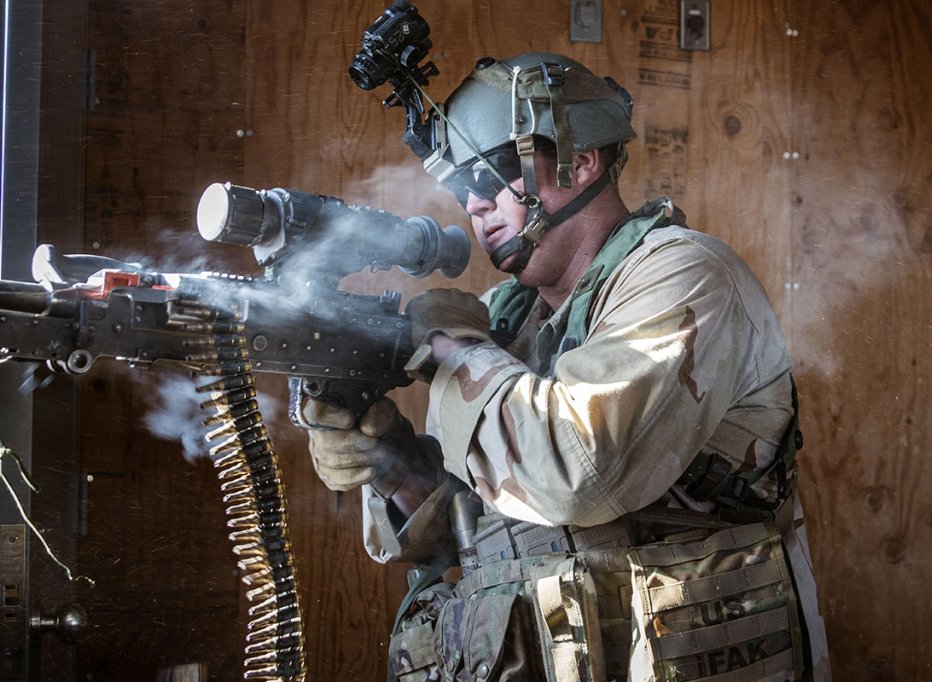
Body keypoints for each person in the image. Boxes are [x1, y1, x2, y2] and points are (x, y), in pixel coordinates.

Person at [296, 52, 831, 681]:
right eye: (461, 189)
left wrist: (450, 347)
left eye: (489, 174)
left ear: (580, 162)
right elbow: (476, 531)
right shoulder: (507, 317)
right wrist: (389, 465)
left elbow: (580, 474)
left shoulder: (682, 275)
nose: (475, 205)